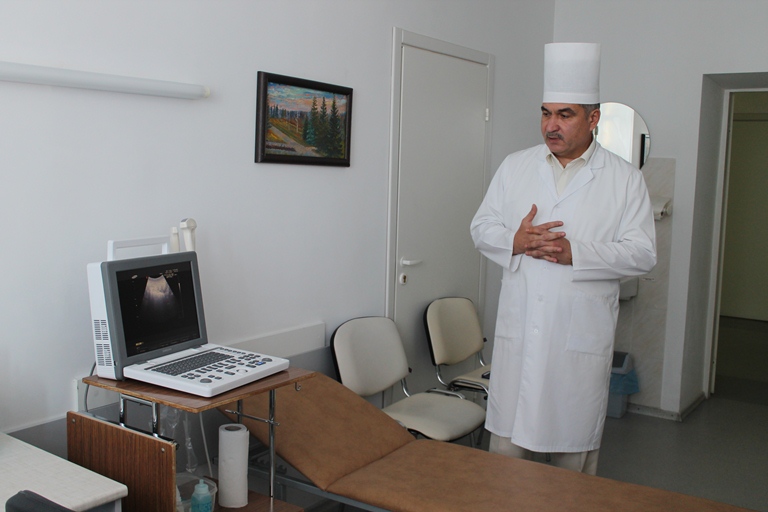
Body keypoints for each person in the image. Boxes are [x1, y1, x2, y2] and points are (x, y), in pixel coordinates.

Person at [470, 42, 656, 475]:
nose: (550, 125)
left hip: (577, 348)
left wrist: (578, 253)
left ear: (593, 119)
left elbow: (643, 253)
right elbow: (481, 227)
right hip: (520, 341)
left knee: (571, 472)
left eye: (565, 115)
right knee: (505, 471)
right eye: (545, 113)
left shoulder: (624, 179)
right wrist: (515, 241)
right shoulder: (515, 166)